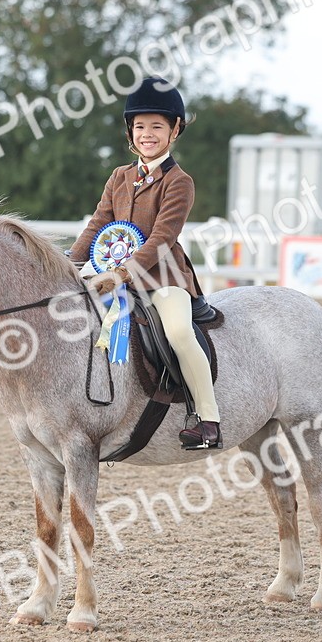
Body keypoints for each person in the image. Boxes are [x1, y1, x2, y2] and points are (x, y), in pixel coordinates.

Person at [69, 77, 221, 450]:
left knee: (180, 334)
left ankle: (208, 420)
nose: (147, 135)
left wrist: (122, 273)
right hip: (110, 276)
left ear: (175, 130)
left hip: (164, 280)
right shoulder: (119, 177)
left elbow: (162, 238)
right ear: (130, 132)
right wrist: (70, 263)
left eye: (157, 127)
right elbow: (98, 223)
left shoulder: (179, 182)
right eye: (140, 127)